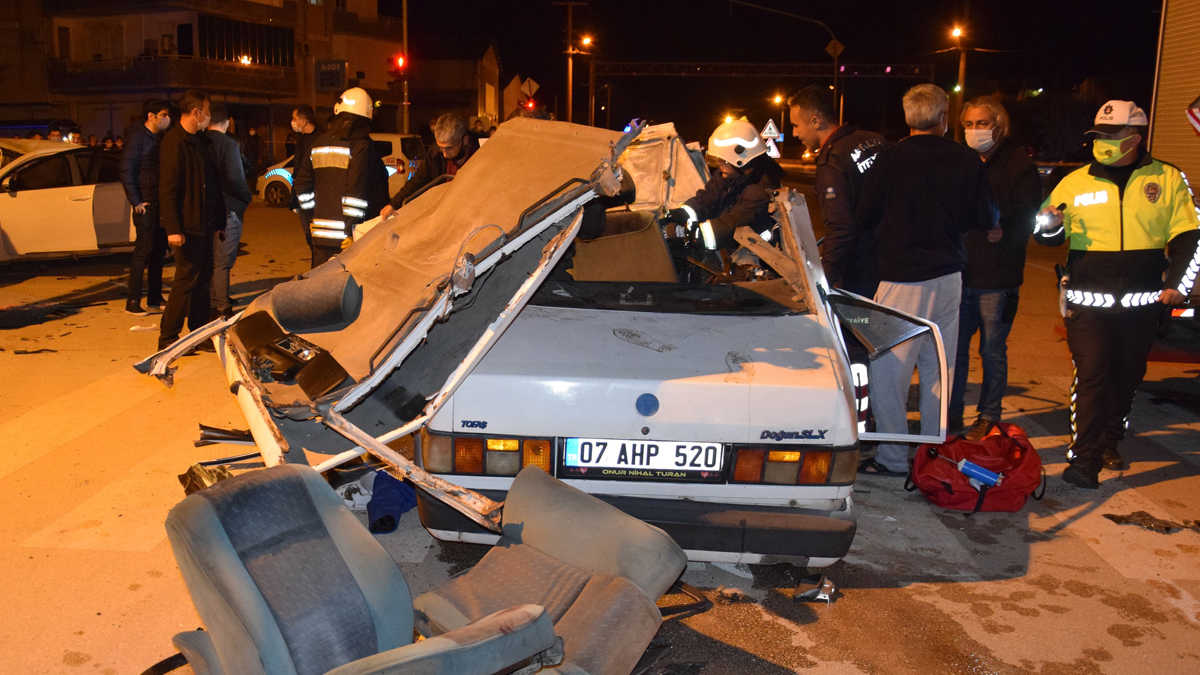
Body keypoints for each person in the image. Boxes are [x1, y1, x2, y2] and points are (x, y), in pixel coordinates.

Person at [1035, 100, 1200, 489]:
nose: (1103, 142)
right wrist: (1051, 225)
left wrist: (1178, 284)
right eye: (1098, 135)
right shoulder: (1074, 182)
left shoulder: (1168, 179)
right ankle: (1084, 460)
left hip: (1143, 304)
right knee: (1092, 376)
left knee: (1126, 378)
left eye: (1113, 135)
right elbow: (1045, 235)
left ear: (1136, 137)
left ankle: (1110, 439)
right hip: (1087, 304)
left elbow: (1190, 237)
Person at [854, 83, 1000, 476]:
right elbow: (988, 217)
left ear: (908, 118)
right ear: (943, 117)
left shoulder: (890, 159)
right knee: (939, 369)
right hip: (950, 277)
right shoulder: (966, 160)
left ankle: (892, 457)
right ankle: (932, 456)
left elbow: (864, 216)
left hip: (902, 279)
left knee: (889, 373)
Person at [949, 96, 1044, 440]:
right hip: (960, 274)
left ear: (999, 127)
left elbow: (1029, 214)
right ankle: (950, 415)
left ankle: (988, 415)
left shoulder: (1018, 165)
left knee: (992, 351)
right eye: (969, 125)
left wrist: (1007, 230)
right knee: (955, 352)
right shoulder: (960, 161)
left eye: (982, 123)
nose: (975, 131)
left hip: (997, 278)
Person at [788, 84, 886, 298]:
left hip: (863, 271)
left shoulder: (832, 161)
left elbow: (840, 228)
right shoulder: (875, 140)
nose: (795, 133)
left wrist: (823, 279)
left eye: (796, 125)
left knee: (858, 324)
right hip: (895, 260)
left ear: (816, 121)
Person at [158, 89, 226, 351]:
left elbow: (212, 185)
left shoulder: (201, 141)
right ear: (197, 112)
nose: (209, 116)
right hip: (186, 226)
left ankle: (197, 335)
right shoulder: (175, 142)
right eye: (207, 111)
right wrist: (173, 228)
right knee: (186, 281)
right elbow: (169, 188)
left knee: (203, 281)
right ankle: (168, 338)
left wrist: (219, 223)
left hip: (205, 223)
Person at [293, 87, 388, 267]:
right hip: (349, 238)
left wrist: (312, 215)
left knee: (319, 289)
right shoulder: (360, 145)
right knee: (347, 291)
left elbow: (301, 184)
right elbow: (356, 190)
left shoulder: (318, 142)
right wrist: (352, 230)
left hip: (320, 236)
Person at [660, 117, 785, 252]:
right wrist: (680, 215)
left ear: (740, 159)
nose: (718, 164)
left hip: (755, 261)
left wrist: (693, 235)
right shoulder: (727, 177)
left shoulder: (761, 190)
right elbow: (706, 199)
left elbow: (734, 225)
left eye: (722, 159)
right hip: (732, 255)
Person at [119, 98, 172, 316]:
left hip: (157, 201)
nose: (167, 119)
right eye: (164, 115)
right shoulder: (138, 137)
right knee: (143, 250)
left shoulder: (157, 137)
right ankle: (132, 301)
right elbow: (126, 170)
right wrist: (136, 201)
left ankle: (154, 297)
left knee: (159, 251)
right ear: (152, 116)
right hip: (146, 203)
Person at [379, 113, 479, 220]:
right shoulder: (435, 153)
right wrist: (394, 204)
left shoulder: (481, 154)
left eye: (449, 148)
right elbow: (417, 181)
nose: (444, 154)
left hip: (471, 215)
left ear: (465, 140)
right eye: (441, 148)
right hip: (446, 216)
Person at [206, 102, 253, 320]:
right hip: (228, 210)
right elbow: (236, 178)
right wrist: (246, 198)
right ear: (226, 123)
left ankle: (213, 302)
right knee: (223, 263)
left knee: (212, 261)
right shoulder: (228, 144)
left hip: (206, 211)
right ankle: (222, 308)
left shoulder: (199, 142)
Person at [288, 104, 319, 252]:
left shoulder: (320, 139)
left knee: (317, 238)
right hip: (302, 196)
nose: (292, 122)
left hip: (316, 195)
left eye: (295, 118)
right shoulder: (301, 140)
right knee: (309, 237)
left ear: (304, 121)